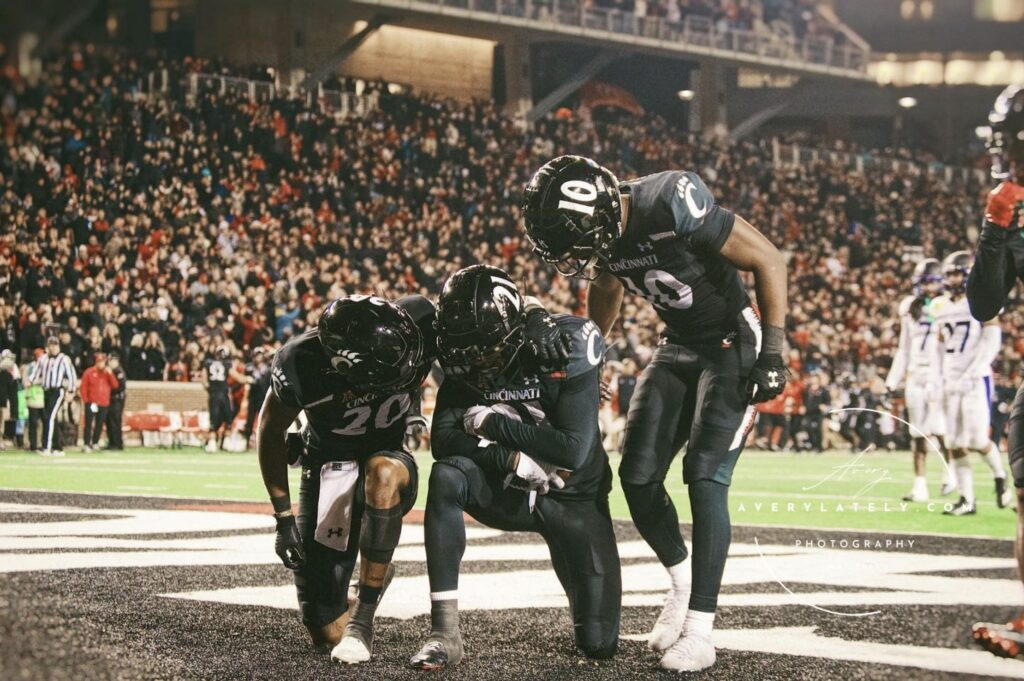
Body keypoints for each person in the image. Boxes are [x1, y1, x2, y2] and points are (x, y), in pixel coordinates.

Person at [523, 155, 788, 672]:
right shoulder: (603, 231)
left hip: (733, 341)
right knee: (638, 477)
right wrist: (596, 350)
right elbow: (605, 286)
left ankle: (701, 630)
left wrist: (774, 352)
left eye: (575, 242)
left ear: (596, 215)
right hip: (678, 345)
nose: (573, 256)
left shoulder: (668, 199)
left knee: (705, 475)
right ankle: (684, 585)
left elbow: (768, 259)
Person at [260, 291, 570, 665]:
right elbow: (269, 430)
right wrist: (282, 518)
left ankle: (364, 620)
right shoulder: (300, 364)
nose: (409, 374)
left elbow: (488, 305)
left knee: (383, 472)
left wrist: (534, 312)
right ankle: (373, 576)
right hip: (330, 467)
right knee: (325, 630)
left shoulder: (419, 320)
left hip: (389, 458)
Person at [410, 265, 620, 670]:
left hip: (571, 495)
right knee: (447, 476)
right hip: (505, 487)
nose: (474, 360)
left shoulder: (569, 341)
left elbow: (572, 451)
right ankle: (444, 632)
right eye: (463, 350)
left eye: (484, 349)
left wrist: (491, 423)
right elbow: (445, 441)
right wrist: (505, 457)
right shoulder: (461, 348)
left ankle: (572, 563)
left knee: (598, 643)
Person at [964, 83, 1024, 657]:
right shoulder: (1011, 201)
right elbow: (984, 304)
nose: (1000, 149)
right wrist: (996, 226)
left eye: (1009, 138)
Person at [932, 250, 1012, 515]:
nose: (951, 278)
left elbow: (992, 339)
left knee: (978, 439)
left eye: (956, 272)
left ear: (967, 273)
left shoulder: (979, 300)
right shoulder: (940, 306)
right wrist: (941, 376)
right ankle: (967, 500)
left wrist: (974, 370)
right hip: (951, 379)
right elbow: (941, 346)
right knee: (954, 441)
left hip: (976, 379)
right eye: (949, 273)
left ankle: (1000, 477)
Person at [885, 258, 949, 502]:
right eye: (924, 282)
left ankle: (949, 474)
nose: (927, 288)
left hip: (938, 375)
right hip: (916, 373)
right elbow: (904, 348)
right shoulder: (909, 306)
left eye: (932, 282)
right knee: (917, 433)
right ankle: (920, 486)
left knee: (940, 429)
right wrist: (892, 381)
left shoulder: (947, 306)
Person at [33, 336, 78, 457]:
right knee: (50, 419)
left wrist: (71, 392)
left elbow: (71, 375)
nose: (53, 347)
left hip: (58, 391)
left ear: (58, 346)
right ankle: (58, 447)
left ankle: (46, 447)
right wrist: (30, 381)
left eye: (55, 345)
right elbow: (37, 372)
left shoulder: (64, 359)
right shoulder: (43, 359)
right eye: (50, 345)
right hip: (46, 391)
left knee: (49, 417)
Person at [203, 346, 250, 452]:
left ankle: (212, 445)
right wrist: (248, 379)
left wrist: (211, 390)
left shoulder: (208, 363)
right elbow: (238, 377)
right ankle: (226, 444)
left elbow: (204, 382)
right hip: (224, 395)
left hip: (214, 394)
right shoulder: (226, 364)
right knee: (228, 420)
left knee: (213, 420)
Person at [79, 353, 120, 452]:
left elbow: (115, 385)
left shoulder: (107, 373)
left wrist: (110, 374)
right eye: (99, 362)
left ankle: (95, 442)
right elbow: (83, 387)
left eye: (103, 362)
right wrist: (86, 400)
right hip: (91, 402)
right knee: (88, 424)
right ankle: (86, 443)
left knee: (99, 424)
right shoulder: (89, 372)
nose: (101, 364)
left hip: (103, 403)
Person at [244, 347, 272, 447]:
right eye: (257, 355)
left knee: (264, 421)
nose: (258, 358)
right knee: (249, 420)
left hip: (263, 398)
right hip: (253, 397)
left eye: (260, 355)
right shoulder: (249, 368)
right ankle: (246, 442)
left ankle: (264, 444)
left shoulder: (268, 369)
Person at [23, 350, 46, 451]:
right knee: (32, 423)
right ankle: (32, 444)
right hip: (33, 399)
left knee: (44, 423)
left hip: (44, 399)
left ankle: (42, 443)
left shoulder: (47, 366)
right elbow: (26, 382)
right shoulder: (30, 367)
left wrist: (35, 382)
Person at [105, 354, 127, 451]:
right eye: (109, 361)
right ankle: (111, 442)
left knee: (115, 421)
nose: (110, 363)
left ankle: (117, 443)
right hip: (110, 399)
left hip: (117, 400)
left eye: (112, 361)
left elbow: (120, 387)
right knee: (109, 421)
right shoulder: (110, 371)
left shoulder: (118, 372)